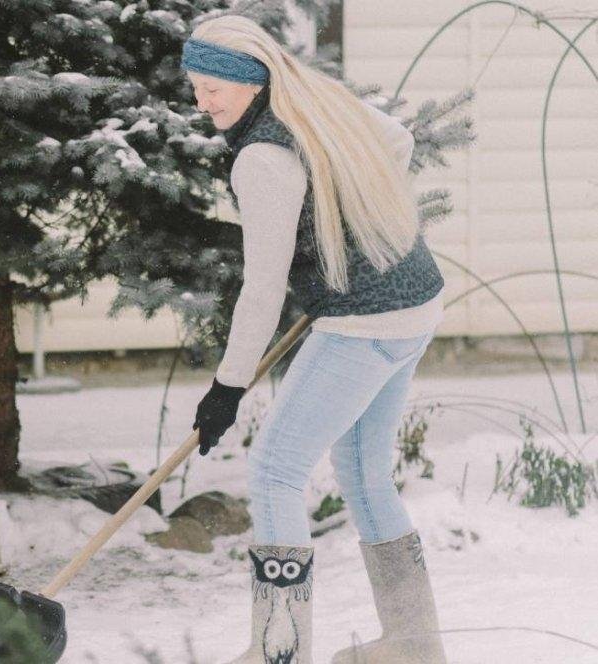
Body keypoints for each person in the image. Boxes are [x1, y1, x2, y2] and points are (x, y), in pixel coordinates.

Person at [181, 14, 449, 664]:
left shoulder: (262, 158)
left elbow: (263, 288)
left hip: (361, 325)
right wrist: (357, 219)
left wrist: (226, 388)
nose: (202, 101)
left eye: (215, 87)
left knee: (274, 471)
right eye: (195, 85)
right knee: (362, 473)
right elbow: (398, 140)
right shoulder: (317, 102)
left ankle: (280, 651)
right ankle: (413, 645)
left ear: (251, 82)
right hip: (415, 301)